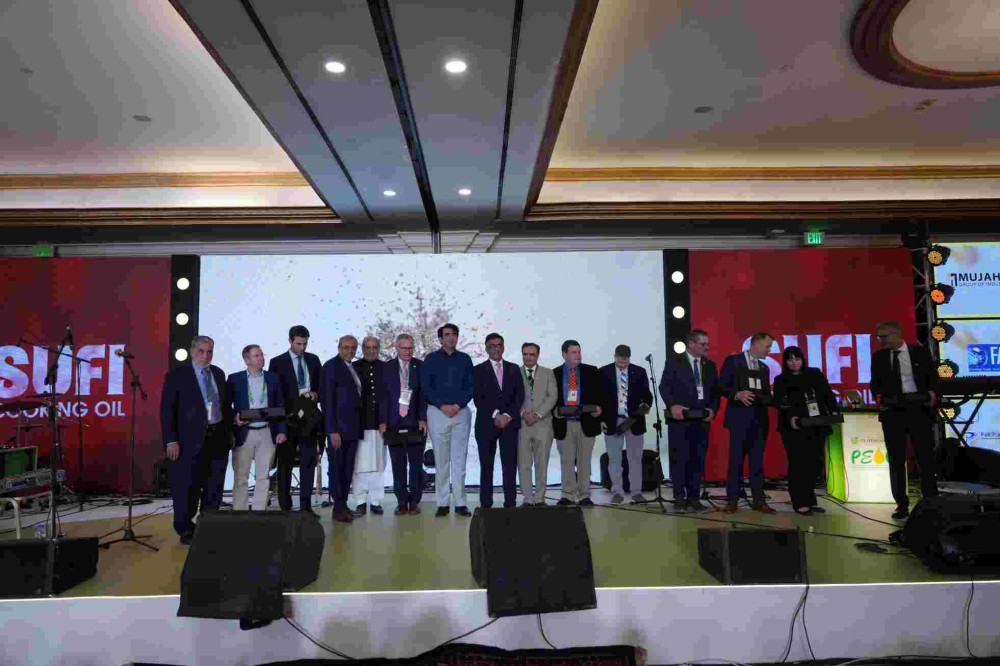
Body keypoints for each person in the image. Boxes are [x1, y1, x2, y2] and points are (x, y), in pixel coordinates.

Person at [160, 335, 232, 545]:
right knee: (187, 487)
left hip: (217, 438)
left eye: (209, 351)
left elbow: (224, 406)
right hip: (188, 441)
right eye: (201, 351)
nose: (205, 355)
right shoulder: (177, 376)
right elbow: (167, 410)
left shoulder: (218, 373)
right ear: (192, 352)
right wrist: (170, 440)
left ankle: (209, 524)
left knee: (214, 486)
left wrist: (230, 433)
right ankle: (185, 528)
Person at [870, 321, 939, 520]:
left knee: (924, 456)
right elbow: (875, 383)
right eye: (879, 337)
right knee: (896, 459)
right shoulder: (879, 357)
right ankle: (901, 504)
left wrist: (932, 395)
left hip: (918, 409)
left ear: (897, 334)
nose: (881, 341)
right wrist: (878, 397)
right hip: (893, 411)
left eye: (884, 336)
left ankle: (931, 500)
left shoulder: (919, 352)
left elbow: (932, 377)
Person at [659, 329, 720, 512]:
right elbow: (664, 387)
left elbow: (716, 392)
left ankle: (694, 497)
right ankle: (679, 497)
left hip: (701, 420)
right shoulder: (674, 361)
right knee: (679, 459)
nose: (706, 347)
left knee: (697, 459)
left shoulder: (709, 365)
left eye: (707, 344)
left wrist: (713, 409)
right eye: (703, 344)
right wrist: (672, 406)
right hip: (680, 420)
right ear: (691, 344)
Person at [772, 346, 837, 515]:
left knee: (813, 464)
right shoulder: (781, 379)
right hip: (793, 428)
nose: (794, 363)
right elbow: (779, 402)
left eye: (797, 359)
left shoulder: (815, 374)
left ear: (803, 359)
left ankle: (810, 500)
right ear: (785, 362)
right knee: (798, 464)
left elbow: (827, 394)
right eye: (790, 360)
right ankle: (799, 502)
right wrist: (791, 416)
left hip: (816, 425)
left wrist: (834, 411)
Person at [420, 323, 474, 517]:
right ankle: (442, 503)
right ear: (440, 339)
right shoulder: (431, 359)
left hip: (461, 413)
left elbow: (470, 387)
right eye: (447, 334)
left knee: (459, 460)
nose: (451, 338)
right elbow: (426, 387)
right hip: (437, 412)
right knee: (441, 461)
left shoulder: (465, 359)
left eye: (454, 334)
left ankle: (460, 503)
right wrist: (442, 406)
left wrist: (457, 406)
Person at [268, 325, 322, 516]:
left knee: (308, 463)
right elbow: (274, 393)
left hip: (310, 420)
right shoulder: (277, 362)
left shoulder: (313, 360)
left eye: (305, 344)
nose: (302, 348)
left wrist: (316, 394)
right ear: (290, 340)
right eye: (298, 344)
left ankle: (306, 508)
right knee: (285, 465)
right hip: (288, 420)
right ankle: (286, 507)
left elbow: (320, 386)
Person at [719, 332, 775, 514]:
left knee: (757, 462)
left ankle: (759, 500)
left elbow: (765, 393)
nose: (769, 350)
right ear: (756, 344)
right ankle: (732, 500)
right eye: (768, 346)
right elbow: (721, 385)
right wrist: (737, 394)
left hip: (760, 421)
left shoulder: (764, 368)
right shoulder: (733, 361)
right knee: (735, 461)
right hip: (739, 420)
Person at [227, 345, 287, 511]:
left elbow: (280, 406)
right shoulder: (235, 379)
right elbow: (225, 406)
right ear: (247, 360)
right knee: (241, 477)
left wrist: (281, 431)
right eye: (256, 356)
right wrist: (234, 417)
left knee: (264, 476)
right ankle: (240, 511)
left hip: (267, 432)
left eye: (261, 355)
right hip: (244, 432)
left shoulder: (273, 378)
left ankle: (259, 512)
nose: (261, 358)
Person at [473, 333, 525, 509]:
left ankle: (510, 502)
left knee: (509, 466)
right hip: (486, 424)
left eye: (499, 345)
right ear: (486, 348)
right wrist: (496, 415)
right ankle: (486, 504)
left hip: (510, 424)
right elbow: (478, 398)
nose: (496, 349)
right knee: (486, 466)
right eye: (492, 346)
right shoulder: (478, 370)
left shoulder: (514, 369)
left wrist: (507, 416)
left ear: (503, 347)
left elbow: (519, 396)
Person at [551, 340, 605, 507]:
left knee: (584, 461)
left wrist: (600, 409)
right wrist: (554, 412)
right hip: (564, 424)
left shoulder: (592, 371)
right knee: (566, 461)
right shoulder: (554, 374)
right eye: (573, 352)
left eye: (579, 352)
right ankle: (567, 495)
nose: (578, 355)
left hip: (586, 423)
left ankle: (584, 495)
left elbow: (602, 395)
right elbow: (549, 399)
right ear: (564, 354)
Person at [600, 344, 653, 505]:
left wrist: (646, 406)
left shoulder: (639, 372)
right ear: (615, 356)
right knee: (614, 459)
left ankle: (636, 492)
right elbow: (599, 399)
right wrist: (601, 420)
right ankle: (617, 492)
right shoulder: (604, 372)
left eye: (626, 360)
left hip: (634, 421)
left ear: (629, 357)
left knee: (635, 459)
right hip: (612, 421)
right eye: (620, 359)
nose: (623, 363)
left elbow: (647, 395)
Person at [380, 334, 427, 515]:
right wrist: (383, 421)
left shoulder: (420, 366)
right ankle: (401, 502)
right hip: (393, 423)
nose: (407, 351)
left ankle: (414, 501)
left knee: (416, 466)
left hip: (415, 423)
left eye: (410, 348)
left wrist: (422, 418)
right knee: (398, 465)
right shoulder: (386, 368)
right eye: (404, 348)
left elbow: (423, 395)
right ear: (396, 348)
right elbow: (382, 398)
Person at [321, 335, 363, 524]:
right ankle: (337, 510)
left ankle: (343, 505)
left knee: (347, 470)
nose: (350, 351)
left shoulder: (352, 366)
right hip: (338, 430)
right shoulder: (331, 367)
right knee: (337, 470)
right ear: (339, 347)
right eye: (346, 347)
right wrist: (332, 430)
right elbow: (327, 401)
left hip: (352, 428)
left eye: (353, 348)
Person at [351, 336, 387, 515]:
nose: (371, 351)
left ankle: (375, 500)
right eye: (368, 347)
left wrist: (385, 420)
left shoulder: (386, 368)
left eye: (375, 347)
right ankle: (359, 501)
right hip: (359, 423)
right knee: (359, 464)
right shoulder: (353, 367)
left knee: (379, 464)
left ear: (379, 349)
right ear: (363, 349)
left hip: (380, 423)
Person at [518, 342, 557, 506]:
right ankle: (527, 498)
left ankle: (540, 498)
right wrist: (523, 413)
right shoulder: (515, 372)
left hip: (543, 425)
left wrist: (537, 415)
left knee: (542, 463)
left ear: (538, 355)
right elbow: (512, 397)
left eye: (532, 354)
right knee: (524, 464)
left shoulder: (548, 373)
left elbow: (552, 396)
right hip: (522, 425)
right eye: (525, 354)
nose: (528, 357)